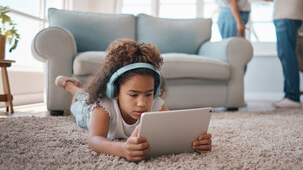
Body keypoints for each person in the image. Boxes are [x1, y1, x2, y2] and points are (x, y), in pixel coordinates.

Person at [55, 39, 212, 162]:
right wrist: (123, 149)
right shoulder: (103, 107)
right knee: (82, 101)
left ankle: (77, 89)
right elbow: (94, 140)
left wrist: (196, 142)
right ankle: (71, 87)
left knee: (86, 95)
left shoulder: (156, 105)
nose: (142, 103)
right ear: (115, 91)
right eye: (133, 94)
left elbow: (174, 131)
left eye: (148, 94)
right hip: (87, 113)